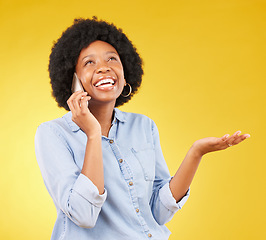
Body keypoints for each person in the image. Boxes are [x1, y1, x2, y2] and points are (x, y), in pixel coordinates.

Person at [35, 17, 250, 240]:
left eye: (112, 59)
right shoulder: (53, 134)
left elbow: (158, 212)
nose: (104, 68)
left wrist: (196, 152)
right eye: (90, 63)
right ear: (73, 79)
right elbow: (83, 215)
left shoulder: (143, 126)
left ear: (125, 71)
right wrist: (92, 133)